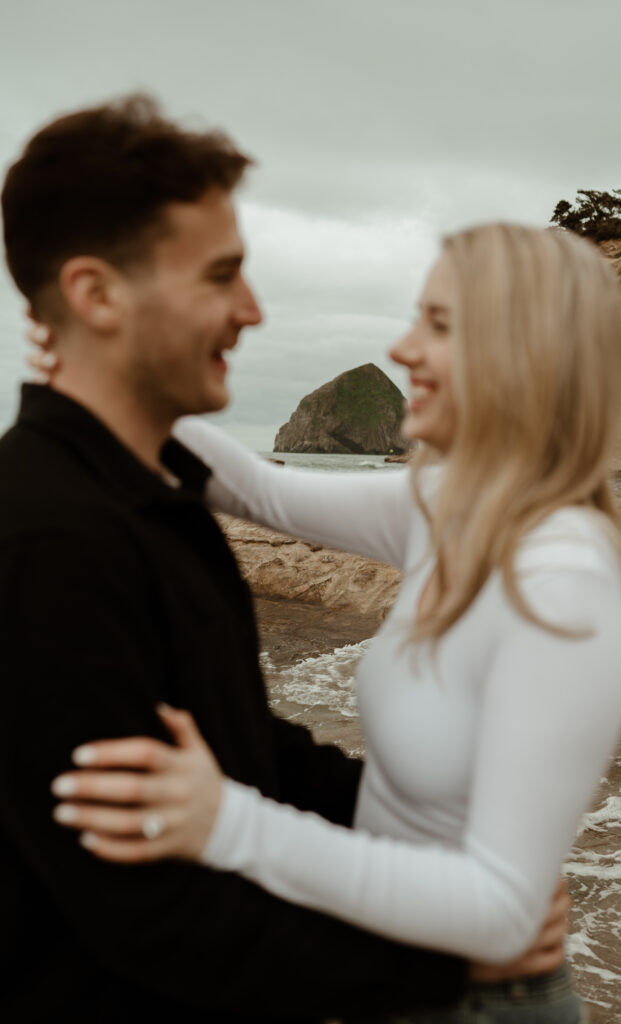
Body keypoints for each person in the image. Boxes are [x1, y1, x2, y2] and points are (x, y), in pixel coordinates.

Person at [1, 96, 564, 1024]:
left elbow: (242, 747)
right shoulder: (49, 541)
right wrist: (457, 967)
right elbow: (142, 910)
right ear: (97, 295)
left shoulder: (147, 498)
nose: (252, 310)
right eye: (222, 277)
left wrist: (452, 861)